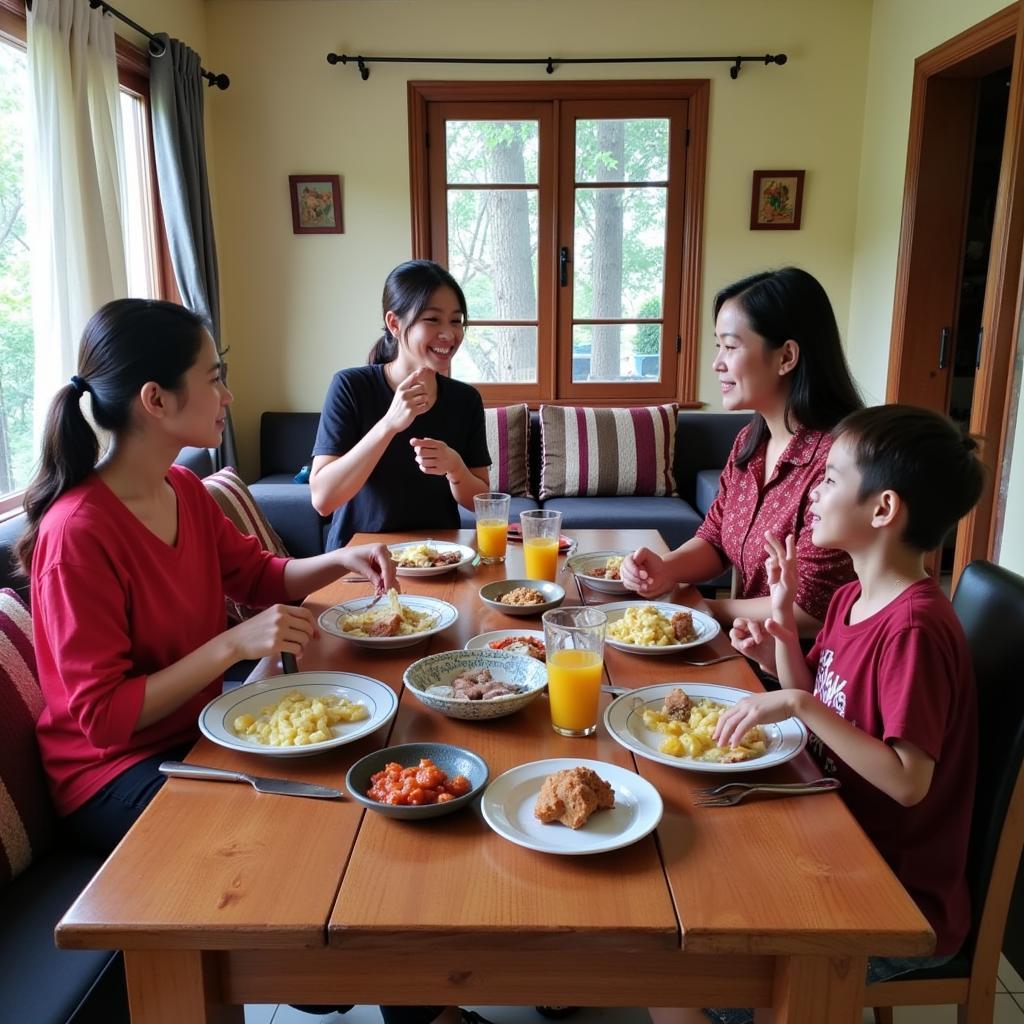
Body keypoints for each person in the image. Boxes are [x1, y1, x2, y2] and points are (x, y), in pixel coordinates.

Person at [15, 298, 396, 856]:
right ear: (155, 399)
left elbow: (258, 576)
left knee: (355, 776)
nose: (228, 396)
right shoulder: (77, 534)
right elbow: (102, 719)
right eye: (214, 379)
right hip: (112, 776)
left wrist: (340, 561)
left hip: (201, 731)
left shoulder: (184, 490)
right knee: (296, 839)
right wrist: (233, 644)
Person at [650, 404, 986, 1024]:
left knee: (669, 973)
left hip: (889, 897)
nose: (815, 495)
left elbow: (908, 780)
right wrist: (781, 637)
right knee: (679, 864)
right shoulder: (855, 594)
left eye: (830, 479)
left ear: (883, 509)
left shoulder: (913, 628)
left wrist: (795, 700)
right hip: (828, 832)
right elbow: (829, 695)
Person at [621, 267, 862, 636]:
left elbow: (812, 608)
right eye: (718, 346)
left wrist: (709, 610)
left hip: (800, 673)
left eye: (730, 346)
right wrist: (665, 569)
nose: (717, 363)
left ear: (786, 357)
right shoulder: (752, 441)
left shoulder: (837, 462)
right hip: (749, 646)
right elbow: (716, 537)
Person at [310, 259, 491, 549]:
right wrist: (389, 424)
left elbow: (482, 502)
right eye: (432, 319)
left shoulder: (465, 399)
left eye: (456, 321)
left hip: (439, 558)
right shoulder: (350, 387)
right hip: (361, 560)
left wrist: (456, 468)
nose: (449, 334)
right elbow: (323, 500)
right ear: (394, 323)